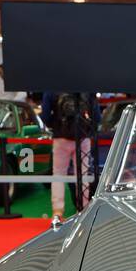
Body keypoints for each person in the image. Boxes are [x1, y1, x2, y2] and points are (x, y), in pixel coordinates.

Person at [43, 91, 96, 219]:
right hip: (83, 137)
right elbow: (96, 116)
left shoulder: (51, 89)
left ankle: (57, 211)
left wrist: (56, 125)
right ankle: (83, 210)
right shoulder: (87, 88)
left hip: (60, 137)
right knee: (82, 174)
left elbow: (45, 116)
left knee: (58, 174)